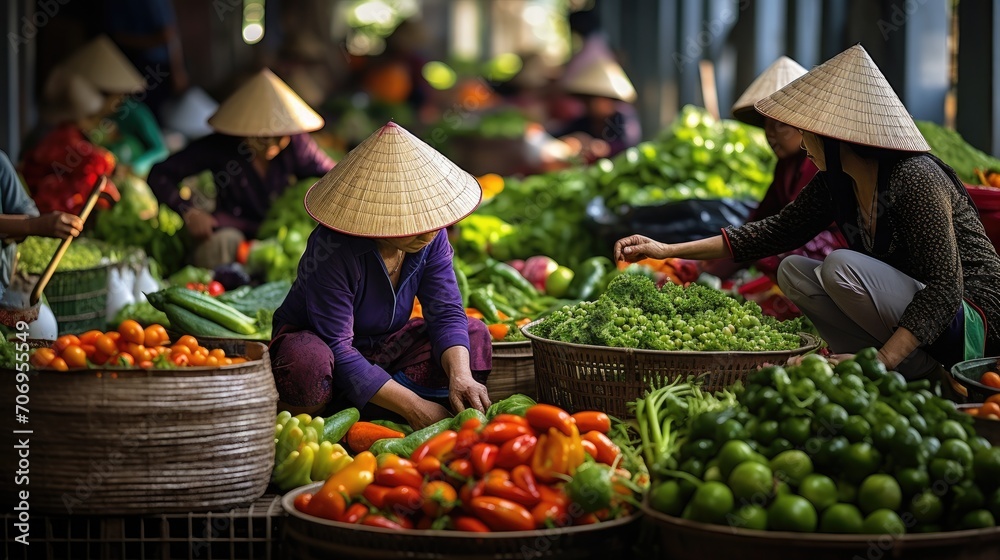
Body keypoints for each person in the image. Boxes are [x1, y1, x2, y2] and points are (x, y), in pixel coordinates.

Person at [615, 44, 1000, 379]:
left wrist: (884, 360)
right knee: (793, 272)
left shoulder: (915, 178)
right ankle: (884, 365)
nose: (801, 142)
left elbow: (945, 288)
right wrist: (666, 249)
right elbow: (770, 233)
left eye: (806, 131)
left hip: (971, 325)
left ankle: (899, 366)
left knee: (839, 266)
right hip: (921, 322)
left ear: (835, 138)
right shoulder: (836, 181)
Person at [270, 122, 491, 429]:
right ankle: (342, 414)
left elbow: (445, 310)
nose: (427, 233)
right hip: (325, 350)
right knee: (307, 361)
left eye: (431, 220)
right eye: (410, 223)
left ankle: (377, 410)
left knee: (473, 334)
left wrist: (461, 377)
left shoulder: (433, 235)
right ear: (377, 215)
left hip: (385, 346)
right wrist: (414, 407)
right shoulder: (333, 247)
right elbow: (337, 345)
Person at [147, 69, 335, 269]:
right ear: (243, 130)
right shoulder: (220, 146)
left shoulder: (297, 143)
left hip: (284, 234)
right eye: (261, 137)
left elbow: (332, 175)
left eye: (280, 136)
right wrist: (189, 211)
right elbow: (160, 174)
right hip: (233, 230)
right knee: (216, 247)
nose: (271, 144)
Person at [702, 56, 847, 280]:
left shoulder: (818, 165)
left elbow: (791, 232)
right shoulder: (785, 166)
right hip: (794, 243)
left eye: (780, 124)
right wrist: (710, 262)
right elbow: (761, 219)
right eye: (766, 125)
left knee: (776, 257)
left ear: (803, 125)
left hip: (835, 257)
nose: (770, 134)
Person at [58, 35, 169, 177]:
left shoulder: (135, 113)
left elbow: (160, 150)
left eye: (106, 96)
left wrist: (133, 168)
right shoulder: (90, 115)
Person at [19, 74, 121, 216]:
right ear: (77, 116)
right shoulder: (66, 137)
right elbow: (95, 159)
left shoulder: (52, 131)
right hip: (39, 204)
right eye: (90, 117)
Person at [0, 150, 83, 299]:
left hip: (4, 283)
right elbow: (32, 222)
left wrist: (31, 225)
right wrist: (33, 226)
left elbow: (26, 211)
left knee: (46, 322)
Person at [552, 57, 641, 161]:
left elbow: (627, 143)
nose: (590, 105)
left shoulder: (622, 118)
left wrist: (603, 148)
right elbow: (559, 133)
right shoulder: (585, 121)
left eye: (594, 100)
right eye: (587, 100)